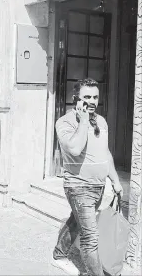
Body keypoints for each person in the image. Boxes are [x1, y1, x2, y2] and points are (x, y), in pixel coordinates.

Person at [52, 78, 123, 276]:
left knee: (77, 221)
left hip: (98, 186)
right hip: (78, 187)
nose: (92, 101)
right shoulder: (64, 122)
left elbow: (105, 153)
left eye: (95, 97)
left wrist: (115, 181)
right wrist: (83, 121)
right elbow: (74, 148)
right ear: (76, 98)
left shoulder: (101, 121)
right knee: (90, 237)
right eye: (87, 97)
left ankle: (58, 254)